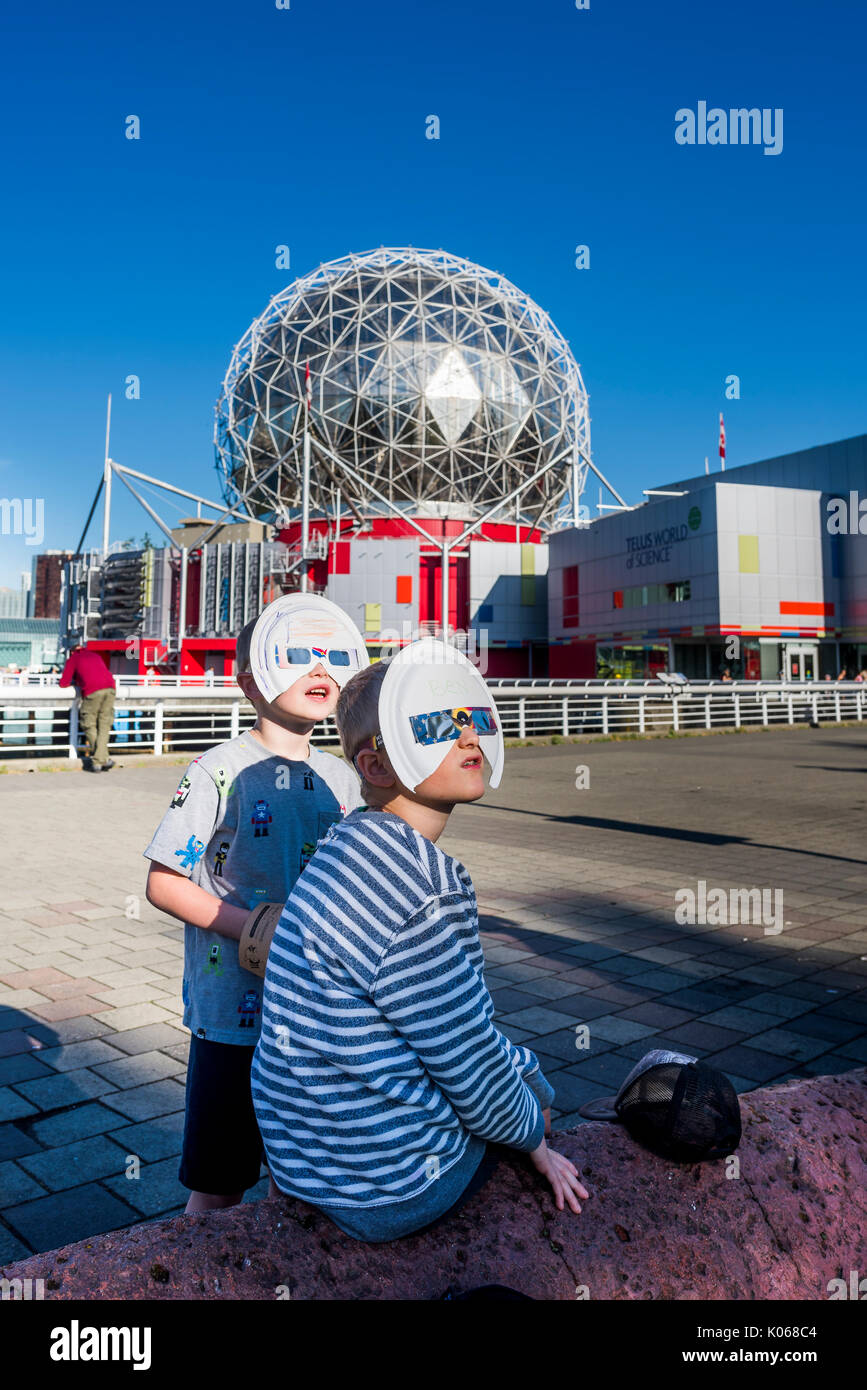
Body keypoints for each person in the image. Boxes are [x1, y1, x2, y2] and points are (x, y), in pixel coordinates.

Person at [251, 641, 589, 1242]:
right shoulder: (420, 887)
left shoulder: (341, 848)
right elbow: (465, 1057)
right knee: (516, 1094)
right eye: (437, 725)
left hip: (305, 1163)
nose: (469, 740)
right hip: (391, 1184)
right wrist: (534, 1134)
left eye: (476, 719)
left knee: (510, 1069)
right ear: (376, 766)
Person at [143, 595, 366, 1215]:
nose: (319, 670)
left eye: (333, 658)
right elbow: (163, 882)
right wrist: (259, 928)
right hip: (231, 1016)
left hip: (317, 1015)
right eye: (298, 656)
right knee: (219, 1179)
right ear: (251, 680)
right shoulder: (217, 770)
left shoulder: (344, 778)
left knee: (297, 1175)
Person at [58, 643, 116, 772]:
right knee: (104, 724)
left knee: (88, 723)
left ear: (72, 652)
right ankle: (104, 759)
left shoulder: (73, 659)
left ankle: (98, 761)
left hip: (92, 691)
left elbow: (63, 683)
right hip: (110, 688)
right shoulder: (95, 655)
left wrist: (75, 680)